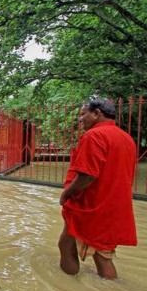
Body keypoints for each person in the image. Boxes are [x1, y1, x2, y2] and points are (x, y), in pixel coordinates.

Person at [58, 98, 137, 280]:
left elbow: (87, 175)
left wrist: (66, 194)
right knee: (103, 255)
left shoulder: (94, 136)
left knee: (66, 245)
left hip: (92, 205)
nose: (80, 119)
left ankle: (67, 287)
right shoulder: (126, 138)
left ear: (96, 113)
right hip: (114, 206)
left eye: (83, 114)